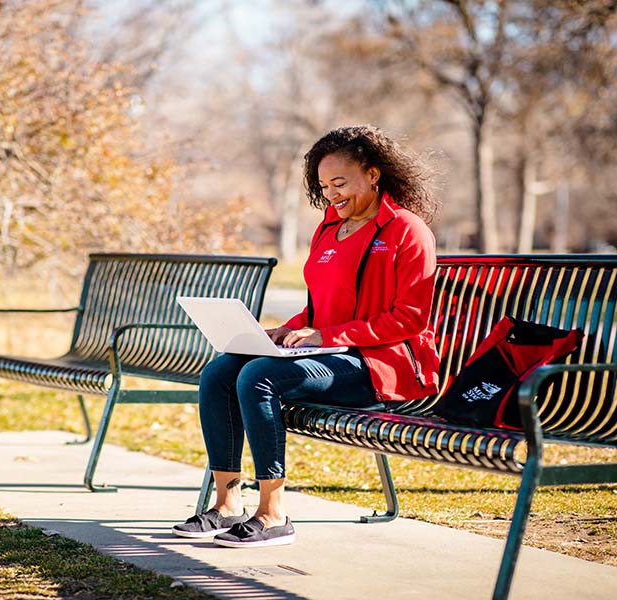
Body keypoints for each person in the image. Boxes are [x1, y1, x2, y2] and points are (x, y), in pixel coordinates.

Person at [172, 125, 441, 548]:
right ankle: (226, 504)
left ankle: (273, 514)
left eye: (340, 183)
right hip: (332, 353)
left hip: (381, 365)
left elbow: (410, 319)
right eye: (323, 186)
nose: (331, 195)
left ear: (373, 174)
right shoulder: (329, 229)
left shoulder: (406, 230)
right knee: (221, 372)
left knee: (259, 376)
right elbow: (320, 309)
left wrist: (327, 334)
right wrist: (290, 329)